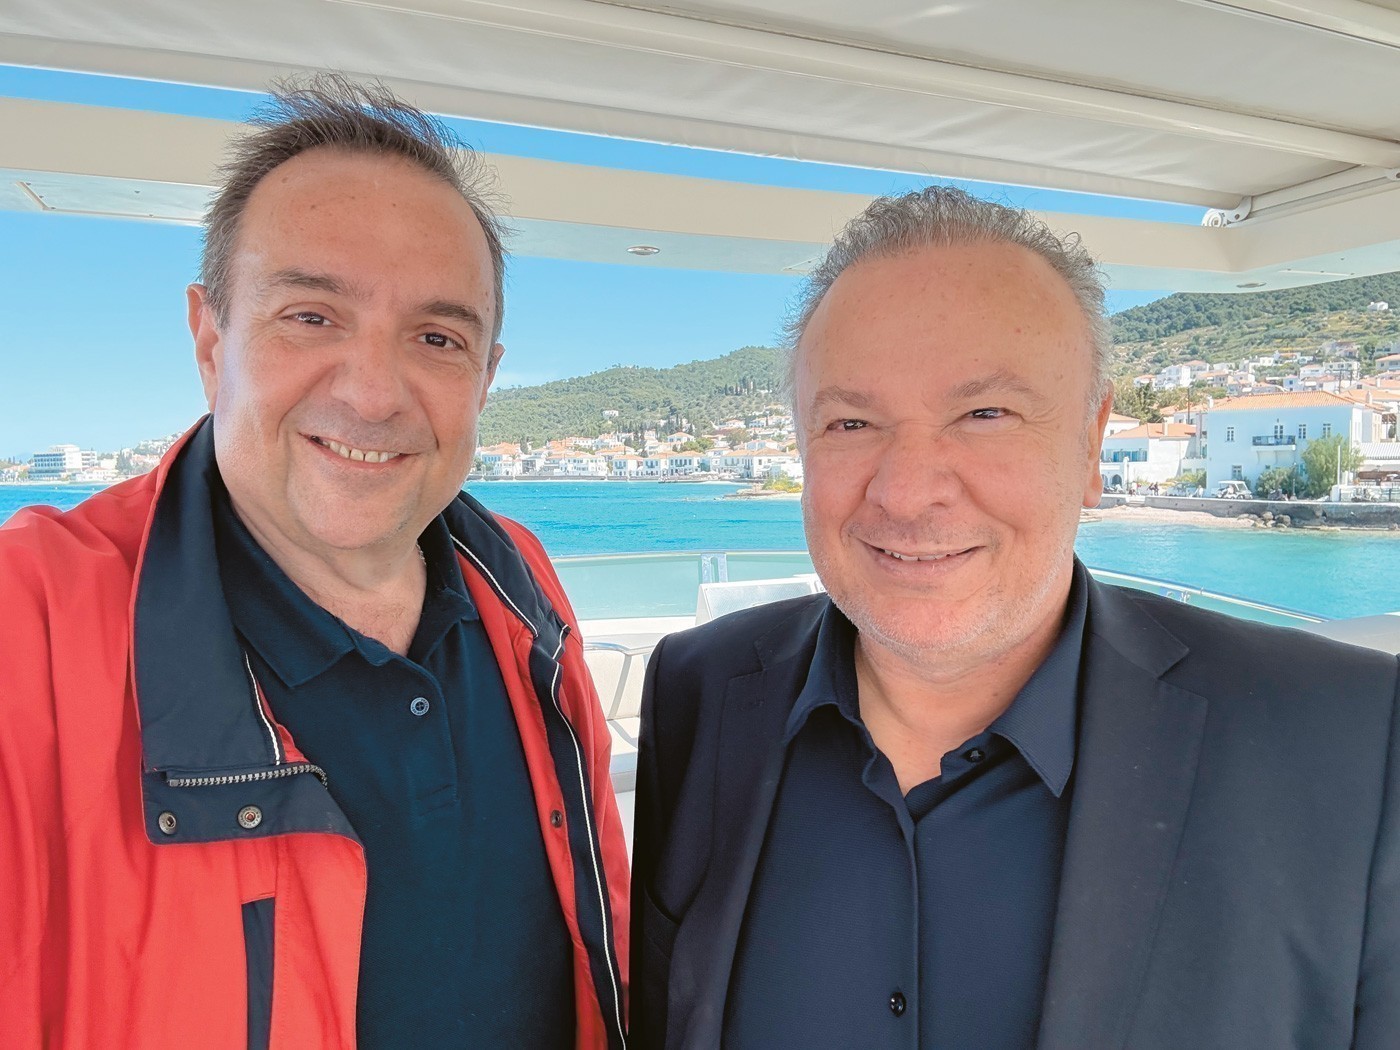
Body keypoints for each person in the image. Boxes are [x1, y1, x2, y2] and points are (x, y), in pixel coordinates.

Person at [631, 187, 1399, 1049]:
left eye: (984, 414)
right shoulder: (699, 692)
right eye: (851, 421)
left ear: (1092, 442)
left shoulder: (1354, 740)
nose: (906, 493)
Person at [0, 76, 628, 1049]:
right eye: (311, 316)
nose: (373, 394)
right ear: (211, 340)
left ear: (485, 378)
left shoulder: (519, 580)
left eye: (436, 337)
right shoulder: (30, 621)